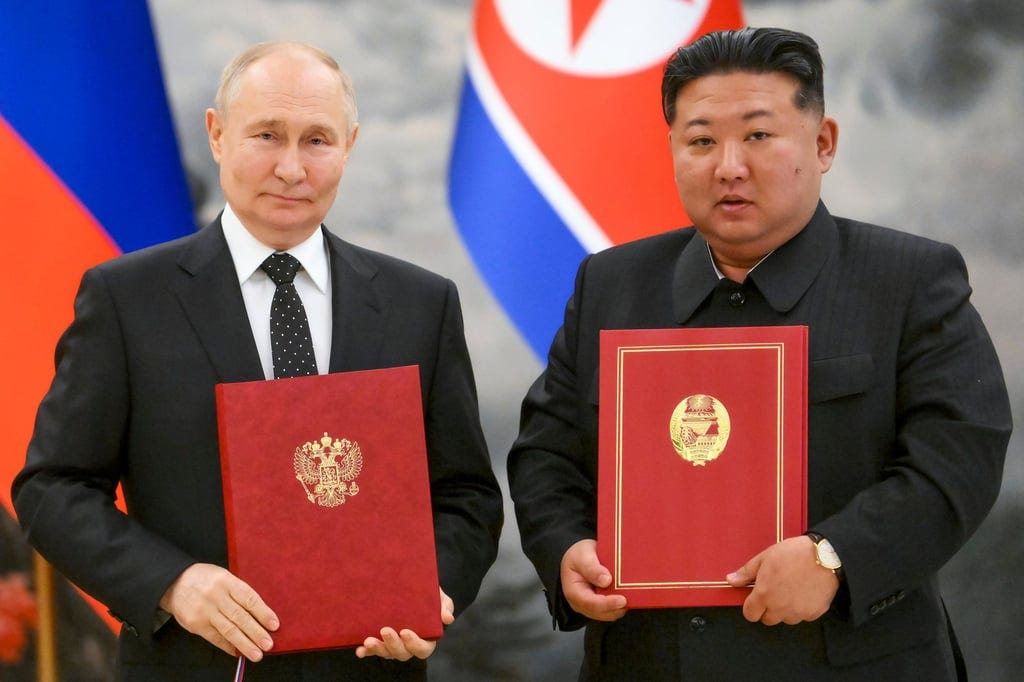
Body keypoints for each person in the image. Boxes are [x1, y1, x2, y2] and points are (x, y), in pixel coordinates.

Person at [507, 27, 1011, 680]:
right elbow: (547, 453)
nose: (728, 166)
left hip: (852, 660)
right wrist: (565, 547)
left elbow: (960, 458)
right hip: (651, 661)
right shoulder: (611, 284)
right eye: (701, 141)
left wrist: (837, 557)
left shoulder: (909, 281)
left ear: (822, 142)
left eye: (758, 135)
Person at [12, 41, 503, 681]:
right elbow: (53, 488)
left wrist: (430, 592)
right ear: (217, 135)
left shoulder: (421, 303)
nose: (292, 168)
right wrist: (172, 584)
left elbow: (466, 495)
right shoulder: (127, 300)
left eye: (318, 140)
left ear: (350, 145)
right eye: (267, 135)